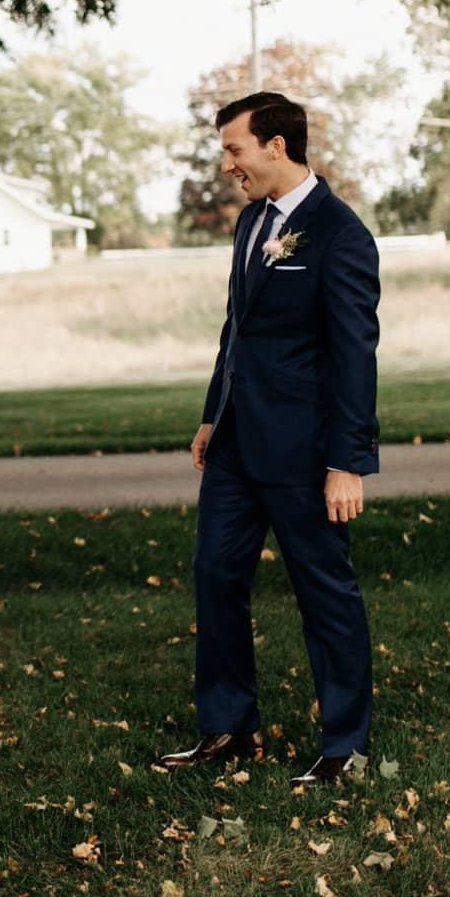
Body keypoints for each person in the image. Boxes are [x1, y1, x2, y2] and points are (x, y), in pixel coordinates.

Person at [159, 92, 382, 786]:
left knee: (324, 591)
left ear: (276, 146)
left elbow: (355, 355)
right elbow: (239, 328)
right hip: (234, 442)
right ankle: (228, 727)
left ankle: (345, 745)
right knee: (215, 574)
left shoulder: (341, 235)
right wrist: (210, 412)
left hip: (305, 451)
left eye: (235, 149)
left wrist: (348, 461)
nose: (228, 165)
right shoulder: (252, 221)